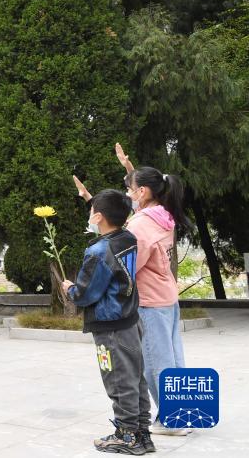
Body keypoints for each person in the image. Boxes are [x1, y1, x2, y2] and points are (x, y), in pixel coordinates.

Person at [63, 189, 151, 455]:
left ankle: (127, 436)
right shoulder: (128, 238)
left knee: (119, 381)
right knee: (135, 379)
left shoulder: (98, 251)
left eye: (91, 211)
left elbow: (86, 294)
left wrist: (70, 289)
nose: (89, 215)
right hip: (130, 320)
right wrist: (89, 197)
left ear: (99, 216)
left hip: (111, 328)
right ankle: (141, 433)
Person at [126, 164, 190, 436]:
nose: (127, 194)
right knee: (173, 358)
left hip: (150, 300)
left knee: (155, 362)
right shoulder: (164, 215)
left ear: (142, 191)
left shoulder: (141, 223)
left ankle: (171, 420)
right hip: (167, 296)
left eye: (130, 189)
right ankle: (184, 414)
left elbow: (131, 265)